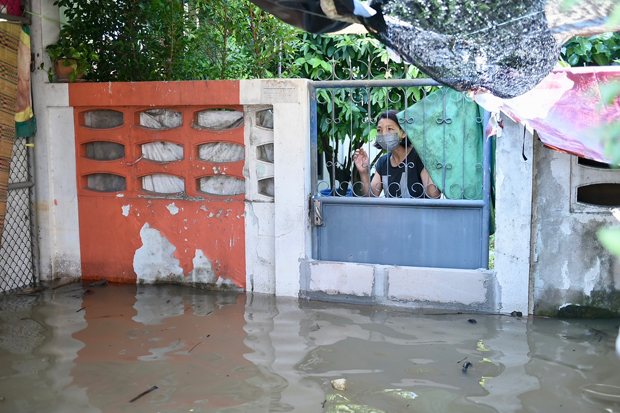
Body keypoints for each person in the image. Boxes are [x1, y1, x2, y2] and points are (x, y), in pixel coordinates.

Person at [353, 110, 440, 198]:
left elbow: (433, 194)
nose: (383, 134)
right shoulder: (383, 162)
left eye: (389, 129)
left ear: (403, 133)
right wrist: (364, 172)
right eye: (379, 130)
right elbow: (370, 197)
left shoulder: (419, 156)